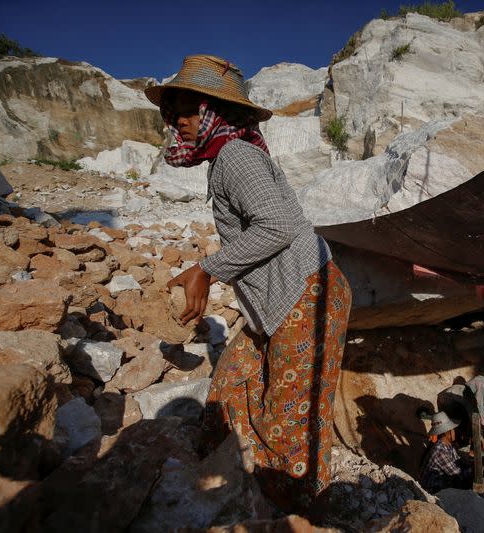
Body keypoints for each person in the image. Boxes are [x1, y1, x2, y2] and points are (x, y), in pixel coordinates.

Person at [144, 55, 351, 512]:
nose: (176, 121)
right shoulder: (229, 158)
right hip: (282, 301)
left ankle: (295, 510)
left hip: (307, 295)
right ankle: (226, 479)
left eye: (186, 110)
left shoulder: (235, 157)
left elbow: (277, 224)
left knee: (290, 417)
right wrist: (201, 269)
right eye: (172, 111)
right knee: (231, 385)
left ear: (213, 112)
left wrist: (209, 268)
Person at [419, 411, 473, 493]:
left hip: (439, 480)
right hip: (430, 487)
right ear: (448, 432)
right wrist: (471, 460)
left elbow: (457, 460)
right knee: (462, 481)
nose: (455, 431)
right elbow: (456, 472)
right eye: (453, 429)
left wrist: (468, 461)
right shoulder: (440, 450)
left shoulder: (448, 444)